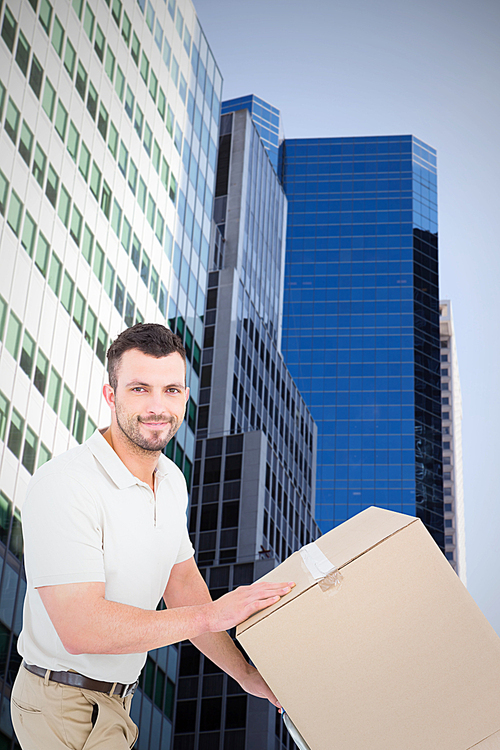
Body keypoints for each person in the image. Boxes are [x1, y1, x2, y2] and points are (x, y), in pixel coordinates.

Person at [11, 323, 294, 749]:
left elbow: (180, 584)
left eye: (172, 390)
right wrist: (213, 616)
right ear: (111, 395)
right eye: (140, 389)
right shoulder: (65, 485)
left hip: (117, 704)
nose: (158, 407)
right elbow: (80, 628)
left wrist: (248, 676)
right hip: (59, 704)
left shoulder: (172, 480)